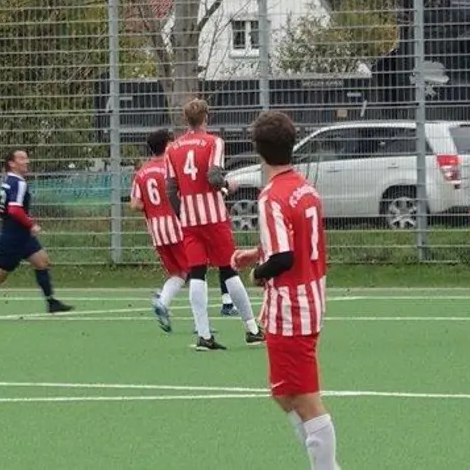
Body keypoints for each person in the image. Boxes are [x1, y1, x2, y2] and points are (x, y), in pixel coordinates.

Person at [232, 111, 338, 470]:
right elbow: (295, 242)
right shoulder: (305, 188)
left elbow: (284, 258)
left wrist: (257, 272)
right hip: (310, 298)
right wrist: (257, 253)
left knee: (305, 399)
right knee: (282, 393)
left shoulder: (271, 196)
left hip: (291, 307)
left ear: (257, 150)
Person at [165, 98, 263, 351]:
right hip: (214, 217)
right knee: (228, 269)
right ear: (206, 117)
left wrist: (182, 213)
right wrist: (228, 185)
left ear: (186, 120)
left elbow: (171, 188)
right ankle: (252, 329)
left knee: (197, 272)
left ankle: (204, 335)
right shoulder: (213, 142)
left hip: (190, 220)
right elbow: (213, 176)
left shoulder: (173, 148)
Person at [0, 150, 74, 320]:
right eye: (22, 158)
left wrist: (14, 224)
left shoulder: (8, 182)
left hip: (20, 235)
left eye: (26, 158)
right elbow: (14, 209)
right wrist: (31, 224)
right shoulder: (19, 183)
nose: (27, 161)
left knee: (42, 262)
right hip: (14, 238)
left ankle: (51, 302)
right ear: (11, 163)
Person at [130, 129, 187, 333]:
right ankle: (200, 324)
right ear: (167, 145)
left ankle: (163, 299)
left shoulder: (142, 173)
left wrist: (153, 207)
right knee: (194, 270)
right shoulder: (171, 168)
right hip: (176, 227)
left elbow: (135, 204)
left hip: (156, 230)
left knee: (178, 273)